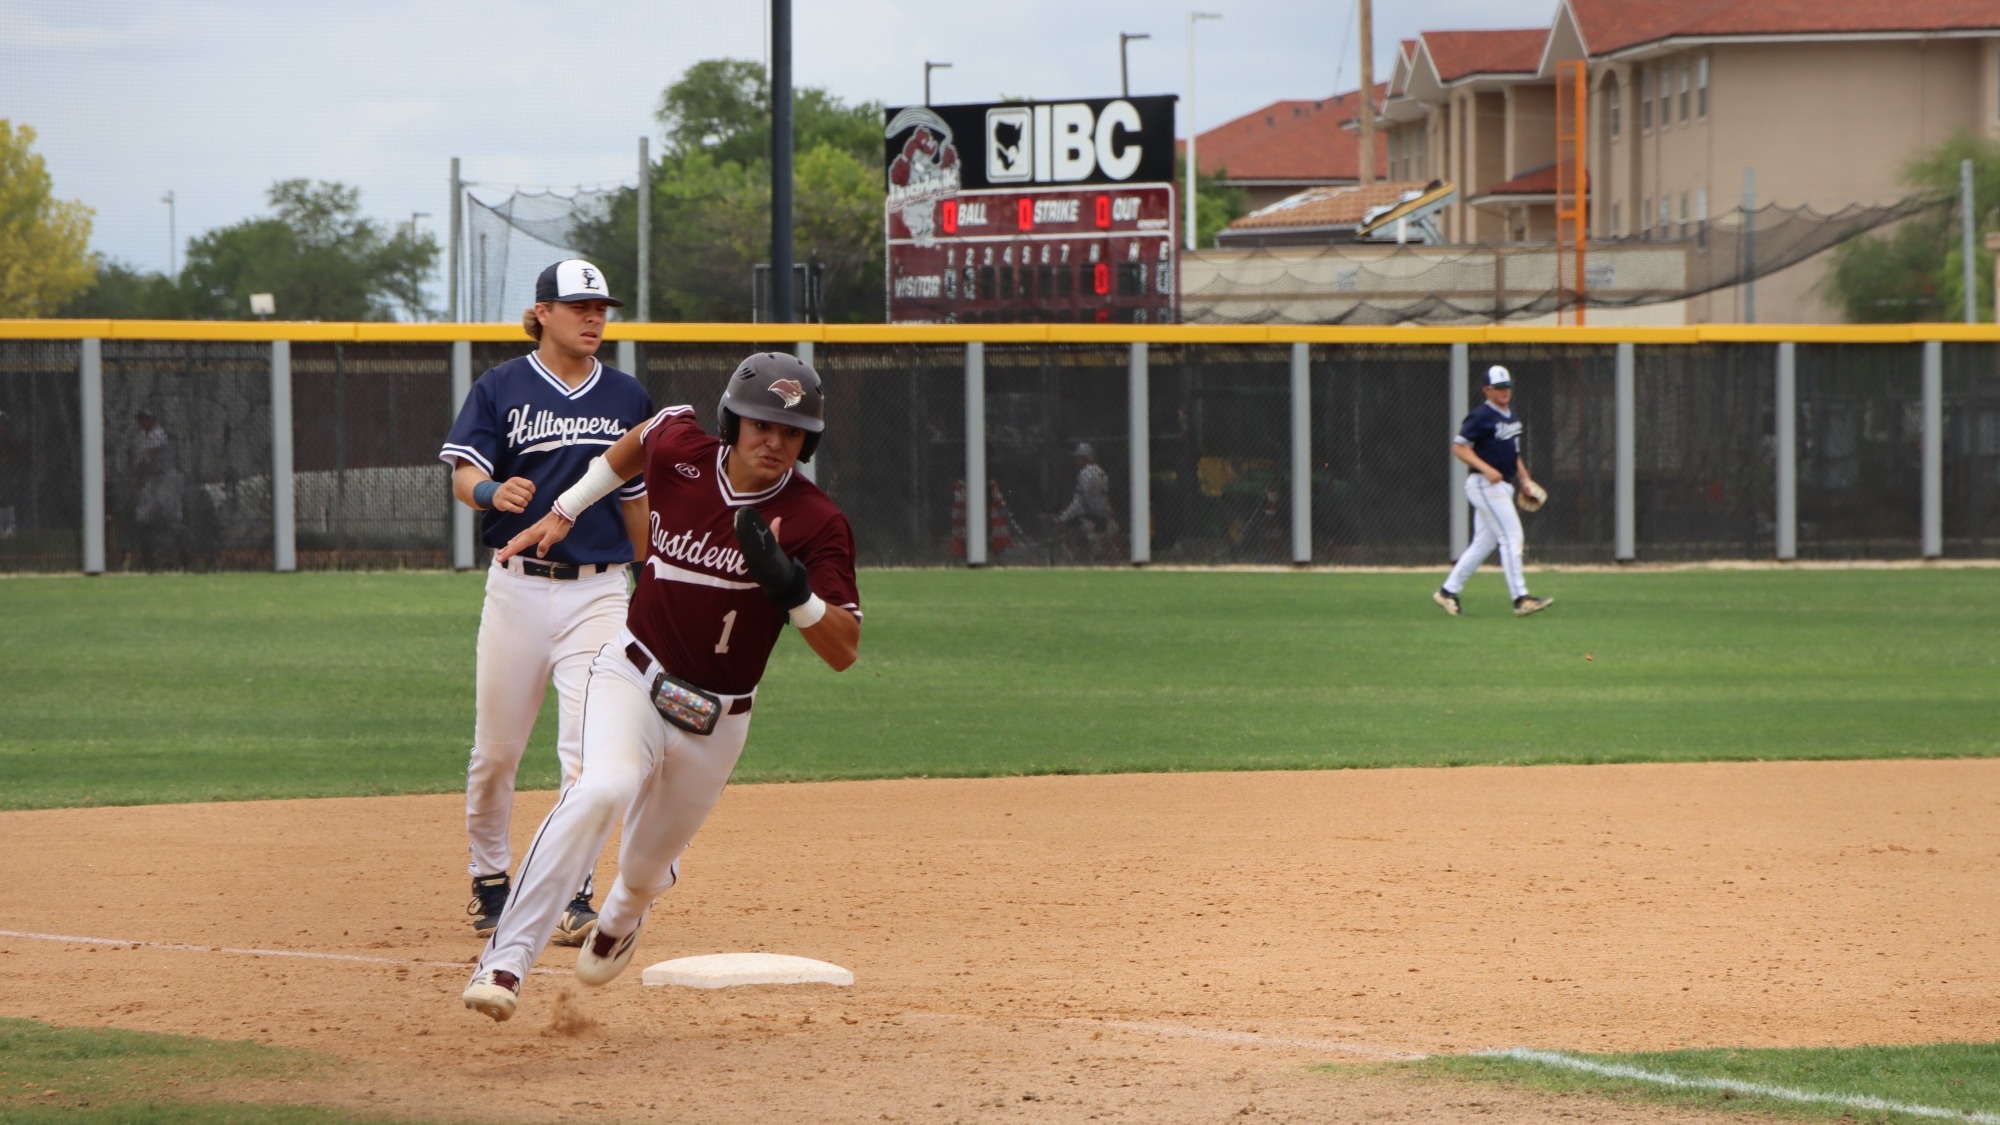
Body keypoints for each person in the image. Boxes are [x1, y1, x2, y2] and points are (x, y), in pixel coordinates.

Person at [461, 351, 862, 1022]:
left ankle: (624, 910)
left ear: (807, 441)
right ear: (732, 422)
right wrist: (568, 505)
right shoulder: (681, 447)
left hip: (719, 718)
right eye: (761, 424)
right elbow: (637, 443)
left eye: (791, 432)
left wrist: (794, 592)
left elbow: (844, 647)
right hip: (632, 673)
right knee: (600, 787)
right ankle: (507, 959)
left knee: (646, 868)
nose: (774, 441)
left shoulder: (818, 520)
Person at [439, 259, 652, 946]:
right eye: (579, 305)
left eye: (601, 306)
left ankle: (571, 891)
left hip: (598, 591)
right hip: (518, 589)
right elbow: (464, 472)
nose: (594, 317)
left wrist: (651, 572)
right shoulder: (500, 386)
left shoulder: (625, 395)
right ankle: (491, 878)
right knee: (496, 753)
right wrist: (487, 493)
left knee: (588, 754)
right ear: (541, 313)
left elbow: (633, 496)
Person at [1435, 364, 1553, 618]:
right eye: (1499, 388)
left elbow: (1514, 453)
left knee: (1482, 544)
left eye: (1507, 387)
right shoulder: (1481, 416)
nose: (1504, 392)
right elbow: (1459, 447)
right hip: (1484, 484)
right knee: (1512, 537)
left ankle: (1447, 592)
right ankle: (1521, 598)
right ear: (1486, 390)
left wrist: (1525, 479)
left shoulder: (1511, 414)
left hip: (1503, 485)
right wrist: (1485, 468)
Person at [128, 409, 184, 568]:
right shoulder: (142, 436)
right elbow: (143, 460)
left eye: (145, 419)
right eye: (140, 419)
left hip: (167, 478)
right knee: (142, 516)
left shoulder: (157, 433)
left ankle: (184, 559)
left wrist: (139, 478)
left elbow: (150, 459)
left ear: (151, 420)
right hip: (153, 480)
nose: (142, 422)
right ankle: (148, 561)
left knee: (173, 517)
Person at [1056, 441, 1115, 546]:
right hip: (1105, 514)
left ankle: (1077, 552)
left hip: (1093, 516)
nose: (1077, 460)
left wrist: (1064, 517)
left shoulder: (1085, 473)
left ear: (1085, 457)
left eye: (1079, 457)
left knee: (1066, 522)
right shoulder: (1100, 471)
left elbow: (1079, 502)